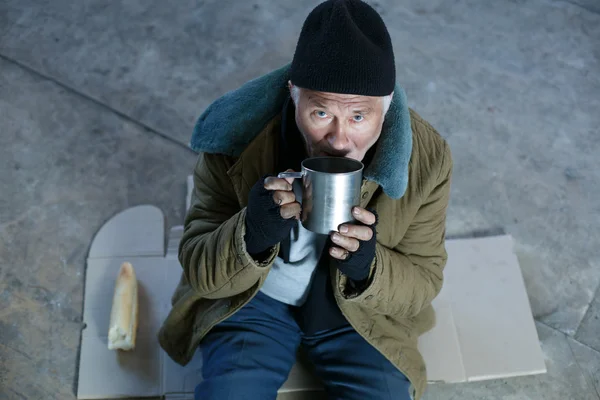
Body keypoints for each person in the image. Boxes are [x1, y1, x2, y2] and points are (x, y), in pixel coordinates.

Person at [158, 1, 453, 399]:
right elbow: (198, 267)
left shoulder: (426, 159)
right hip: (254, 301)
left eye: (358, 117)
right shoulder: (234, 138)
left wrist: (370, 268)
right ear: (293, 97)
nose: (339, 139)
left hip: (359, 315)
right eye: (320, 113)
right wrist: (251, 233)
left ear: (386, 111)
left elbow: (425, 279)